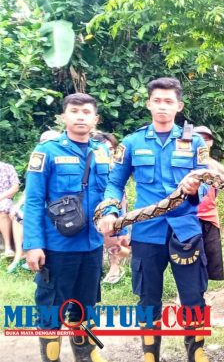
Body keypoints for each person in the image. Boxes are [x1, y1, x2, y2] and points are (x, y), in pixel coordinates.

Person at [98, 77, 210, 362]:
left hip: (185, 231)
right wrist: (111, 211)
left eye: (169, 101)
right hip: (147, 233)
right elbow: (114, 184)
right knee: (148, 300)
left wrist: (198, 188)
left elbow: (209, 182)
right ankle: (150, 356)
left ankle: (196, 354)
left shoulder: (194, 141)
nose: (162, 106)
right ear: (149, 103)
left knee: (193, 296)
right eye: (157, 100)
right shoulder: (132, 142)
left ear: (179, 106)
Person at [23, 93, 112, 362]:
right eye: (74, 111)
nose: (81, 116)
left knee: (86, 306)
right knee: (51, 309)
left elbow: (109, 193)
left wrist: (116, 232)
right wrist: (33, 244)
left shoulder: (103, 151)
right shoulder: (47, 152)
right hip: (57, 247)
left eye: (87, 112)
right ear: (64, 116)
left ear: (95, 119)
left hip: (91, 245)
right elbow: (34, 200)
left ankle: (85, 356)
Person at [6, 130, 61, 273]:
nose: (47, 144)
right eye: (43, 140)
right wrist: (17, 205)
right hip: (40, 201)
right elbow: (31, 191)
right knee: (19, 215)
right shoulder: (39, 158)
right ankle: (20, 256)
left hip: (57, 206)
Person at [92, 131, 130, 284]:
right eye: (104, 149)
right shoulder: (89, 164)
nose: (108, 152)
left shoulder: (115, 167)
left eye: (111, 149)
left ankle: (116, 267)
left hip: (112, 205)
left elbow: (119, 194)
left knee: (112, 235)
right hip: (91, 206)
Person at [193, 125, 224, 281]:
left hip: (210, 217)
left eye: (206, 139)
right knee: (190, 258)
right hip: (190, 217)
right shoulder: (184, 163)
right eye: (198, 137)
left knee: (211, 259)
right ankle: (183, 295)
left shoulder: (217, 167)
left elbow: (216, 191)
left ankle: (202, 294)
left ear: (211, 142)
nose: (202, 141)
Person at [0, 159, 19, 258]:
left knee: (3, 207)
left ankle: (8, 247)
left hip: (4, 199)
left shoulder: (7, 168)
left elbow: (15, 188)